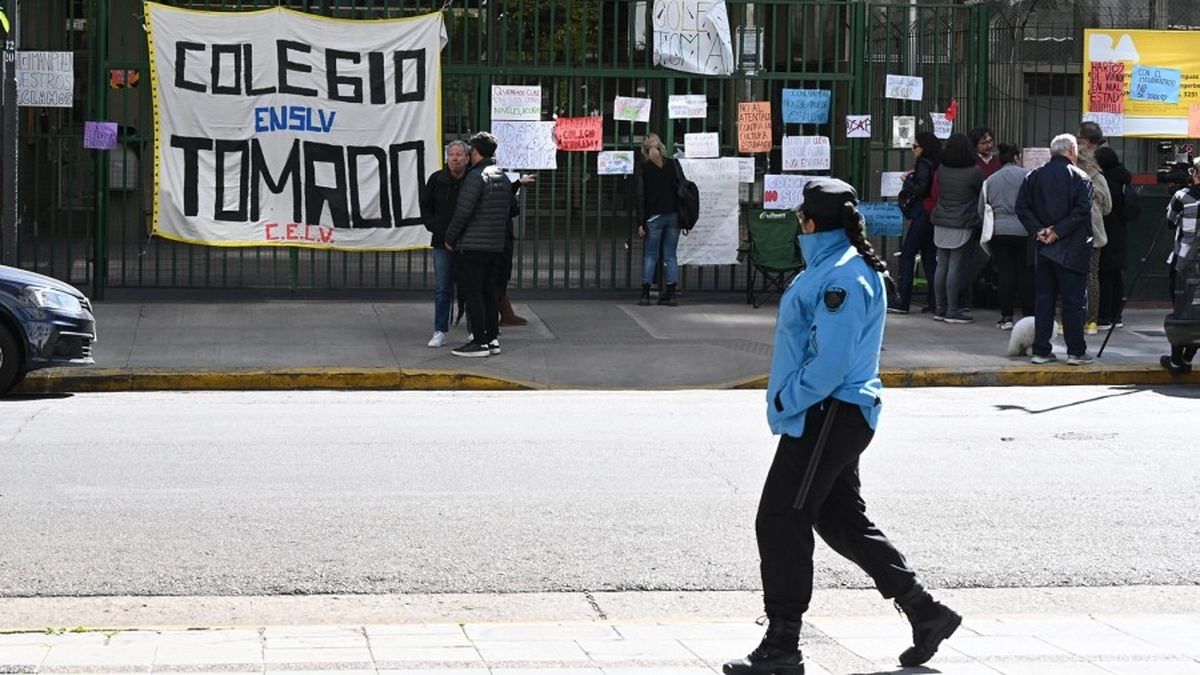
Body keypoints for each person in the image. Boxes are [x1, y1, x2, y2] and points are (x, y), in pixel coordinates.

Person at [724, 178, 961, 675]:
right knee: (840, 522)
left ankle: (783, 643)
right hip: (832, 411)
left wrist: (789, 398)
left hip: (829, 410)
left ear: (810, 223)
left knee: (780, 519)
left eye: (800, 217)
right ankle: (924, 611)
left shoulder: (842, 277)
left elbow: (830, 363)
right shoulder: (833, 265)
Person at [1015, 133, 1095, 365]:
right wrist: (1057, 231)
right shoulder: (1081, 177)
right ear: (1071, 150)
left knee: (1044, 301)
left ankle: (1041, 350)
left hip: (1041, 249)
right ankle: (1076, 351)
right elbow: (1082, 210)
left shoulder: (1033, 176)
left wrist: (1039, 230)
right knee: (1073, 303)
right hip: (1072, 249)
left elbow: (1021, 207)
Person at [443, 132, 514, 358]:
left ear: (475, 152)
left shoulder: (476, 176)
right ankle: (492, 339)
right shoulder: (502, 176)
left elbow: (463, 211)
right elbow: (511, 209)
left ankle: (479, 342)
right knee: (489, 293)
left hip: (473, 246)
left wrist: (450, 238)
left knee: (473, 293)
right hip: (495, 245)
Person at [420, 140, 472, 348]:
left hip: (468, 243)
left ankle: (474, 330)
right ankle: (440, 330)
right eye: (451, 155)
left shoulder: (473, 179)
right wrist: (438, 229)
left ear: (467, 158)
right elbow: (426, 207)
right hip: (442, 242)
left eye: (459, 155)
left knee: (470, 287)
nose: (454, 158)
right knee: (443, 288)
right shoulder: (437, 179)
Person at [930, 133, 983, 323]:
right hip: (963, 222)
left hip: (941, 221)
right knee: (956, 266)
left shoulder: (941, 170)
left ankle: (940, 308)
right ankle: (952, 310)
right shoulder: (974, 172)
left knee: (941, 265)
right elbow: (980, 193)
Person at [979, 144, 1033, 329]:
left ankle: (1006, 317)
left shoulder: (990, 180)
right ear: (1017, 157)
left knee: (1005, 274)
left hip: (999, 231)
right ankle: (1028, 315)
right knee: (1026, 273)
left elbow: (982, 208)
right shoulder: (1029, 176)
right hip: (1025, 230)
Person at [890, 131, 941, 314]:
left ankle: (903, 300)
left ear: (924, 148)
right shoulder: (937, 162)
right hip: (932, 214)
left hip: (922, 213)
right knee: (929, 257)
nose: (913, 150)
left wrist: (907, 180)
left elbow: (921, 188)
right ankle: (935, 301)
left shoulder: (923, 163)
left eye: (915, 146)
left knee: (907, 254)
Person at [1161, 158, 1200, 375]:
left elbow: (1170, 221)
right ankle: (1187, 356)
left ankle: (1177, 359)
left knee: (1181, 311)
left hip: (1184, 263)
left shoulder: (1182, 196)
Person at [634, 133, 682, 307]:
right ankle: (671, 294)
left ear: (644, 150)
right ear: (661, 147)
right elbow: (682, 189)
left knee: (650, 255)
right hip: (673, 215)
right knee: (671, 255)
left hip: (653, 216)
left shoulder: (644, 167)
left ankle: (645, 294)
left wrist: (641, 222)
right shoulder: (673, 164)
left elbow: (640, 195)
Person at [1094, 146, 1133, 330]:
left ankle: (1104, 316)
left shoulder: (1104, 181)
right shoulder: (1123, 178)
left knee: (1104, 274)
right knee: (1116, 275)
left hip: (1105, 229)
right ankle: (1117, 315)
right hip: (1121, 231)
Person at [1076, 148, 1112, 335]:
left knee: (1070, 276)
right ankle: (1091, 321)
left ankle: (1071, 318)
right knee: (1092, 276)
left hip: (1071, 234)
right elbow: (1108, 208)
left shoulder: (1068, 175)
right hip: (1094, 233)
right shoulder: (1098, 178)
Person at [498, 174, 535, 327]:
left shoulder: (476, 177)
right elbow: (513, 209)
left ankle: (505, 313)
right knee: (498, 277)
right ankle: (503, 315)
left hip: (494, 237)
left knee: (495, 278)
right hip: (499, 237)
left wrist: (517, 183)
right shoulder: (494, 178)